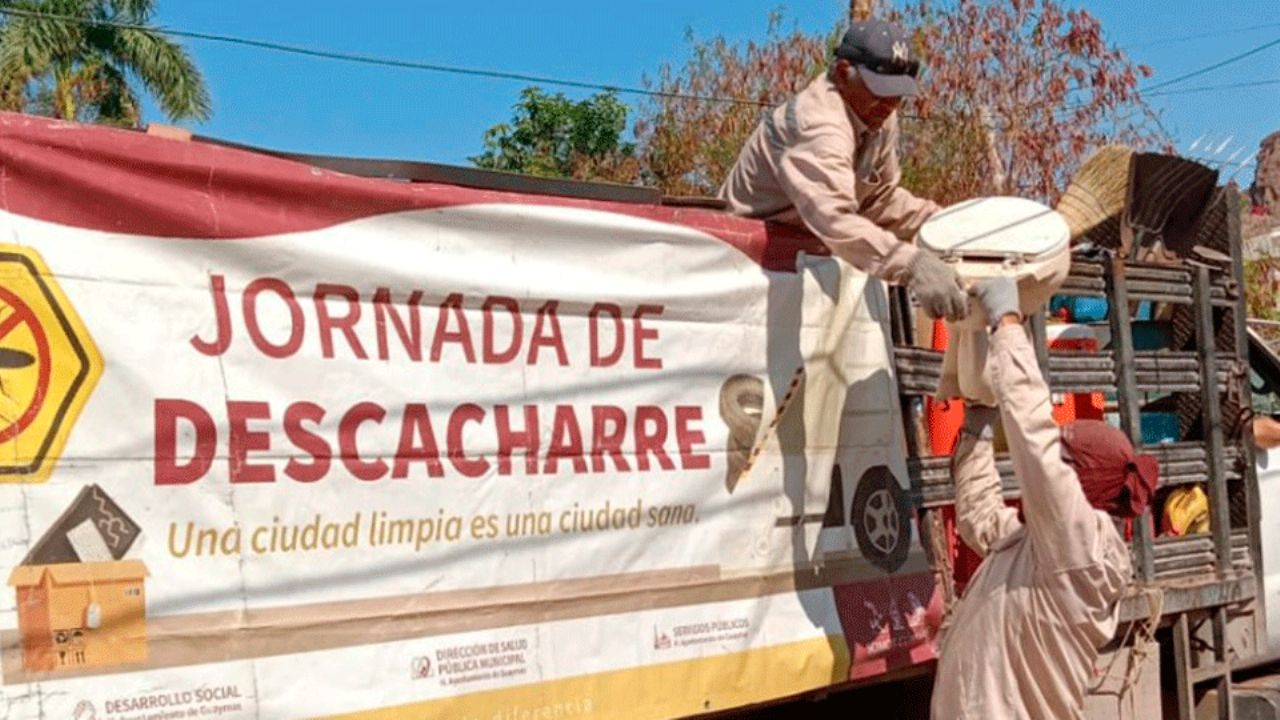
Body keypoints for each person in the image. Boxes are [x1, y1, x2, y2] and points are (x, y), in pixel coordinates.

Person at [930, 277, 1160, 720]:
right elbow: (981, 517)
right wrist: (978, 420)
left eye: (1062, 458)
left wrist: (1008, 323)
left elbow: (1033, 433)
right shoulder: (1048, 550)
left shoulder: (1083, 549)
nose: (1049, 462)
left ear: (1078, 483)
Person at [718, 19, 967, 321]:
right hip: (744, 270)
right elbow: (834, 219)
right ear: (842, 72)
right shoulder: (818, 125)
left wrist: (949, 225)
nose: (889, 104)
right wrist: (912, 264)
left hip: (802, 265)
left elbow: (879, 201)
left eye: (897, 94)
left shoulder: (876, 115)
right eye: (880, 90)